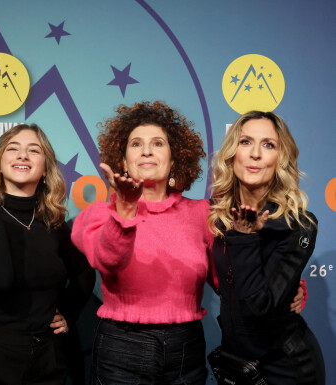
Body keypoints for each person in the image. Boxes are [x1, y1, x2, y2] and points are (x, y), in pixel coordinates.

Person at [71, 100, 214, 384]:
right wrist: (124, 213)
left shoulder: (203, 214)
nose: (147, 149)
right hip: (121, 351)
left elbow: (230, 283)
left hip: (187, 350)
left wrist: (286, 286)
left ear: (175, 160)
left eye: (158, 143)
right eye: (136, 144)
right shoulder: (98, 215)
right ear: (122, 161)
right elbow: (108, 260)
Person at [0, 123, 95, 384]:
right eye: (13, 148)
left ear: (45, 170)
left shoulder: (54, 224)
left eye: (34, 150)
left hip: (46, 368)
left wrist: (69, 314)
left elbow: (85, 273)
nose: (22, 155)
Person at [208, 110, 325, 384]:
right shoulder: (218, 215)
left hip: (287, 366)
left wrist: (245, 238)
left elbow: (261, 305)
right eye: (246, 142)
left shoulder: (299, 224)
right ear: (232, 152)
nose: (256, 154)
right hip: (236, 364)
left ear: (280, 159)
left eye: (268, 144)